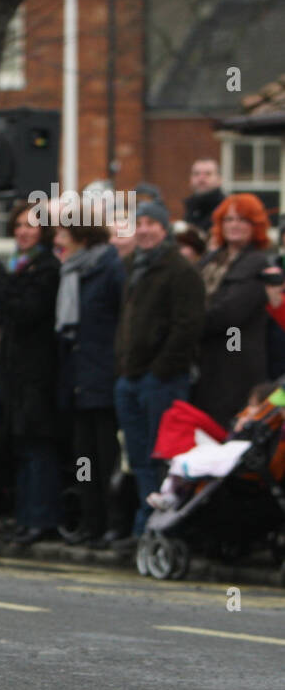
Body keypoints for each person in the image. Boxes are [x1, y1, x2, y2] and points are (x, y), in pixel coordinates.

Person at [114, 200, 204, 538]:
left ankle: (161, 526)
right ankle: (145, 520)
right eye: (139, 223)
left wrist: (161, 369)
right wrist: (122, 368)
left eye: (152, 223)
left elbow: (188, 326)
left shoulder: (180, 271)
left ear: (164, 229)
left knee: (161, 455)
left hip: (162, 380)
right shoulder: (131, 267)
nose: (144, 229)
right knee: (137, 457)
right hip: (129, 377)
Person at [0, 201, 61, 547]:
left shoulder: (47, 267)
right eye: (18, 224)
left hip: (39, 370)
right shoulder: (21, 266)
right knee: (20, 445)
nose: (22, 230)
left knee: (38, 446)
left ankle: (41, 517)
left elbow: (26, 312)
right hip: (15, 370)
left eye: (30, 224)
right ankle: (24, 517)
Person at [54, 218, 125, 548]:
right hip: (79, 377)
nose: (58, 239)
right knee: (84, 458)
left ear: (81, 236)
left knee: (106, 455)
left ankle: (113, 522)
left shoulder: (109, 269)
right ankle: (89, 520)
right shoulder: (71, 271)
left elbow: (119, 322)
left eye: (63, 233)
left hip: (103, 374)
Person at [190, 194, 271, 428]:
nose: (234, 225)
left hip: (235, 363)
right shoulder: (211, 260)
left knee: (228, 431)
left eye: (242, 220)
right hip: (204, 361)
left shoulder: (257, 263)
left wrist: (188, 324)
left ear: (255, 226)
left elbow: (230, 314)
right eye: (229, 219)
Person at [182, 158, 226, 233]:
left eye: (208, 174)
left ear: (219, 179)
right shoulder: (190, 207)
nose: (201, 178)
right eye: (196, 174)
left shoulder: (226, 208)